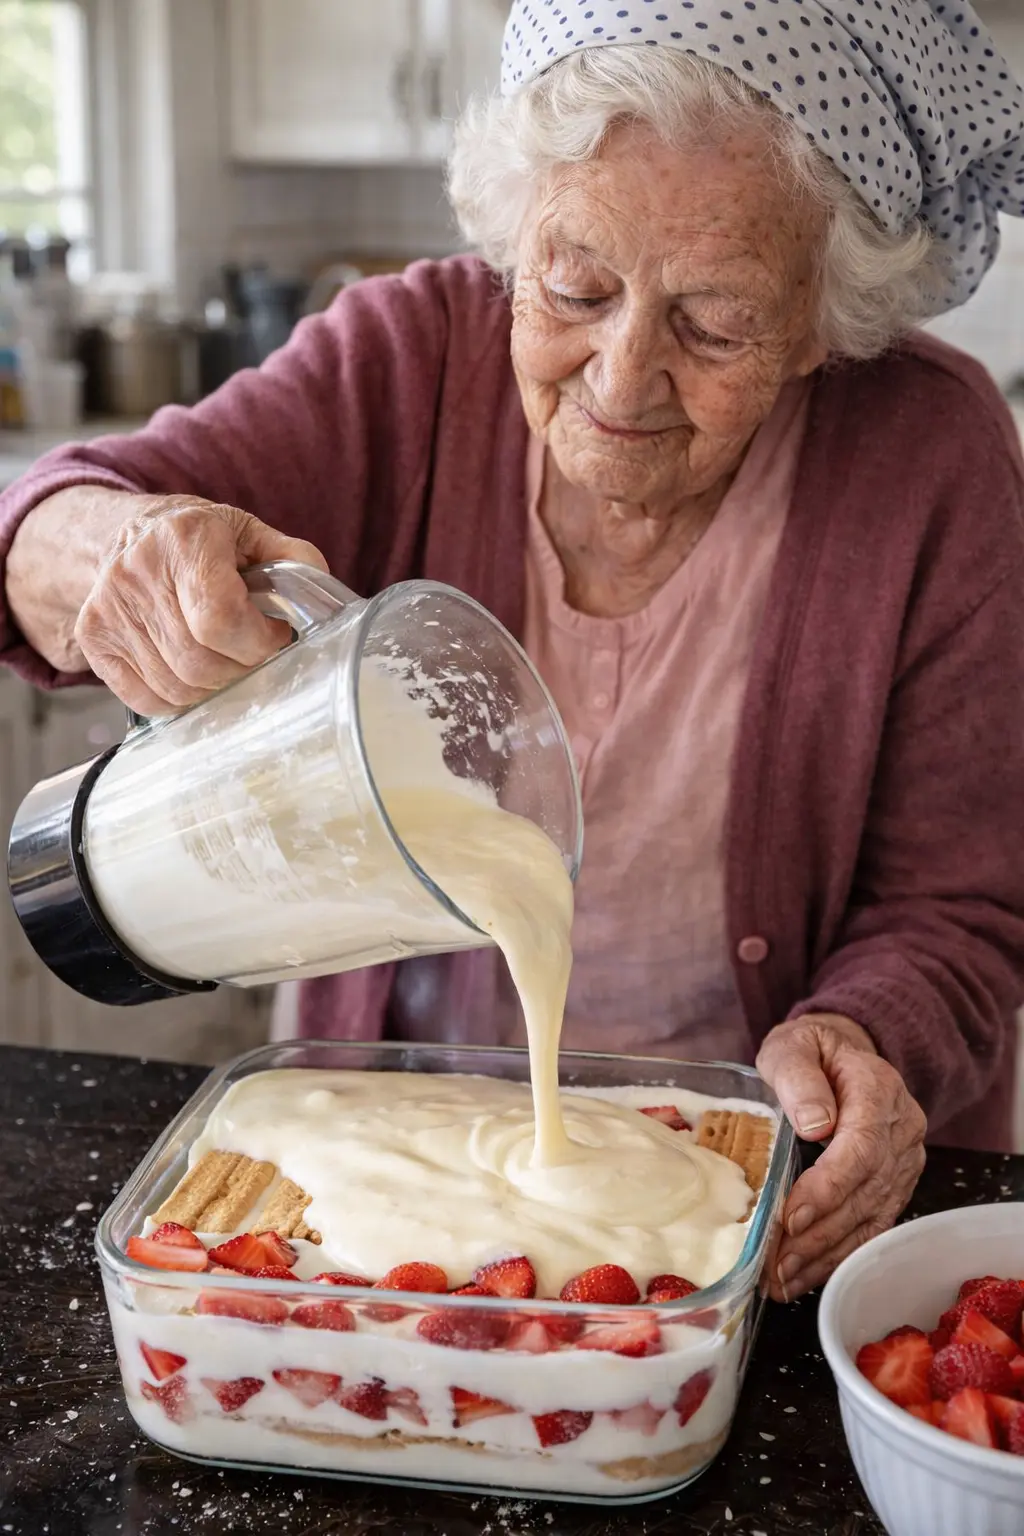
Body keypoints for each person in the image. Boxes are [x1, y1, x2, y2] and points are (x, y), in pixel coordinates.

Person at [2, 0, 1024, 1303]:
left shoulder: (932, 453)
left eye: (713, 323)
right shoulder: (407, 355)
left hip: (750, 1216)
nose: (621, 377)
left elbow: (961, 902)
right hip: (389, 1185)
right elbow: (40, 523)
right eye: (577, 286)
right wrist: (114, 547)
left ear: (823, 324)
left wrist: (860, 1034)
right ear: (509, 235)